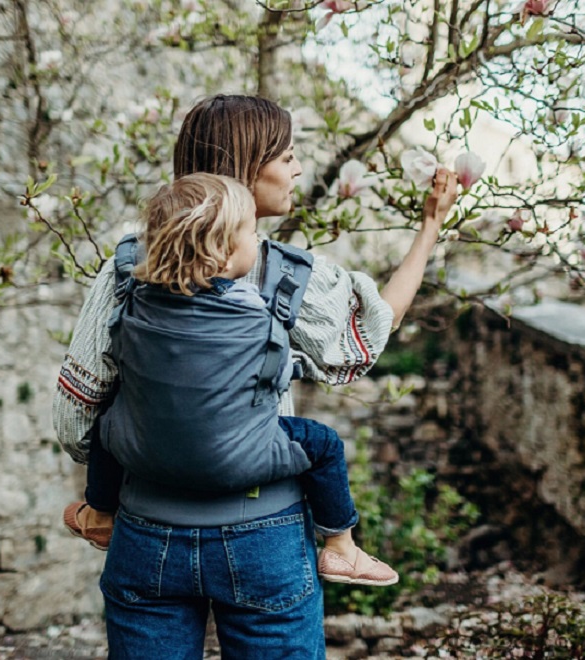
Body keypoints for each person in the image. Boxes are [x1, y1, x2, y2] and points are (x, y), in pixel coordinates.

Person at [52, 94, 457, 659]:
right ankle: (343, 545)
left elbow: (78, 419)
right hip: (263, 533)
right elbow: (369, 335)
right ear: (245, 169)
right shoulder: (288, 275)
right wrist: (430, 226)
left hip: (146, 531)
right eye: (287, 157)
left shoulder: (127, 268)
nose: (298, 169)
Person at [65, 171, 400, 587]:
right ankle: (340, 548)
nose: (258, 242)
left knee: (106, 424)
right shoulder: (253, 310)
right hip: (240, 464)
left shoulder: (135, 304)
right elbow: (276, 374)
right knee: (324, 443)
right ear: (223, 258)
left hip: (145, 456)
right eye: (252, 234)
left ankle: (99, 514)